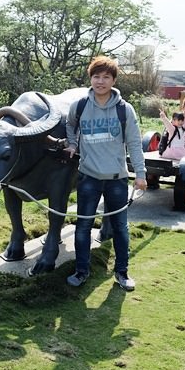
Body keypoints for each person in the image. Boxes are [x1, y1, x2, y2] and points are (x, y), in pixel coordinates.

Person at [64, 56, 147, 291]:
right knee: (83, 227)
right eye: (96, 76)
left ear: (114, 80)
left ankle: (122, 273)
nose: (100, 81)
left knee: (120, 228)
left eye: (106, 77)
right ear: (90, 78)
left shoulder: (124, 109)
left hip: (116, 180)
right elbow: (70, 125)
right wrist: (72, 144)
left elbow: (134, 144)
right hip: (88, 177)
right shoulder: (79, 106)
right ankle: (81, 271)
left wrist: (140, 174)